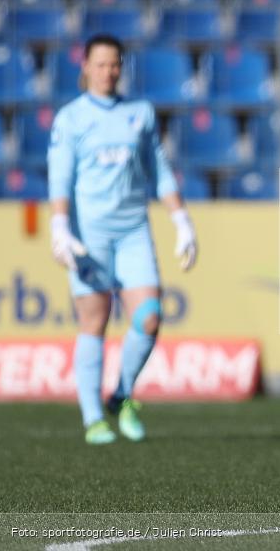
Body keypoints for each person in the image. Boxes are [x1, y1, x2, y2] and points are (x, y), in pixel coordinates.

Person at [48, 34, 198, 445]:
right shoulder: (72, 118)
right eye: (100, 64)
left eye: (115, 64)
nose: (108, 71)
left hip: (133, 229)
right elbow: (60, 176)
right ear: (85, 68)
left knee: (149, 315)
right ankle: (93, 417)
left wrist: (180, 219)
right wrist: (60, 225)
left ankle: (122, 393)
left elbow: (160, 170)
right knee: (93, 322)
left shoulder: (140, 113)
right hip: (90, 234)